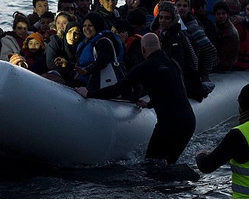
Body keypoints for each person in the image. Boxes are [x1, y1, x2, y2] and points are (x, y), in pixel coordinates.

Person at [76, 33, 195, 166]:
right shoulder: (173, 64)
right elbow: (174, 91)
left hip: (169, 124)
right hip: (189, 122)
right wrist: (149, 104)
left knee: (152, 165)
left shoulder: (144, 67)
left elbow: (117, 89)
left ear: (143, 50)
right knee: (169, 164)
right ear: (160, 46)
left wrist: (89, 94)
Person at [74, 12, 124, 93]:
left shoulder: (103, 41)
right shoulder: (86, 42)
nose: (87, 28)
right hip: (85, 80)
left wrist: (87, 70)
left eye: (90, 25)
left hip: (98, 84)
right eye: (84, 26)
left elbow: (103, 60)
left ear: (97, 26)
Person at [213, 1, 240, 71]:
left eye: (223, 14)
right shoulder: (216, 26)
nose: (221, 16)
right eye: (218, 14)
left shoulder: (230, 33)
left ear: (227, 14)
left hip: (225, 65)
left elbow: (224, 56)